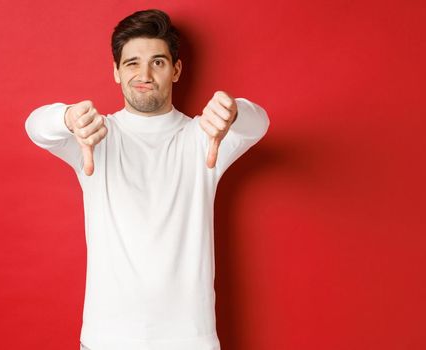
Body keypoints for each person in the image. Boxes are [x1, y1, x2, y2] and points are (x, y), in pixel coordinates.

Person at [24, 9, 270, 350]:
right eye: (132, 63)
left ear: (176, 70)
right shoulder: (93, 135)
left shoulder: (203, 135)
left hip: (190, 340)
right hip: (105, 339)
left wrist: (234, 111)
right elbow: (35, 126)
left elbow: (259, 125)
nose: (144, 74)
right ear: (115, 71)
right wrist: (66, 117)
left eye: (158, 61)